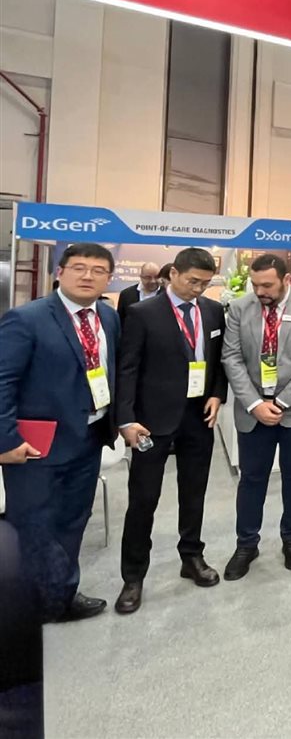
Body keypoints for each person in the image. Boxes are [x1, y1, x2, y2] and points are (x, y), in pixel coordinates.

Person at [0, 242, 120, 622]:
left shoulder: (108, 316)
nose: (88, 276)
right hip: (36, 446)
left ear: (108, 278)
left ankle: (60, 594)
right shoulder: (27, 319)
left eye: (98, 270)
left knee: (73, 520)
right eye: (79, 267)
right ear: (60, 272)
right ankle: (26, 603)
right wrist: (5, 441)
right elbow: (2, 382)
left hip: (89, 438)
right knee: (33, 525)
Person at [114, 247, 227, 615]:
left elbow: (218, 362)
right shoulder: (142, 313)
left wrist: (217, 394)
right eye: (193, 281)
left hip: (198, 417)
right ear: (173, 274)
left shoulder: (213, 311)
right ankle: (133, 576)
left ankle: (191, 555)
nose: (198, 289)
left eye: (205, 283)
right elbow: (127, 368)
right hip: (152, 420)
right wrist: (126, 419)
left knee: (194, 492)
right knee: (143, 499)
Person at [221, 254, 291, 579]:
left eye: (267, 285)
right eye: (255, 285)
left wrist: (281, 403)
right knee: (252, 479)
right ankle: (246, 544)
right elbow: (231, 357)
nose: (260, 292)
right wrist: (255, 404)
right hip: (254, 411)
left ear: (287, 280)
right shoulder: (240, 308)